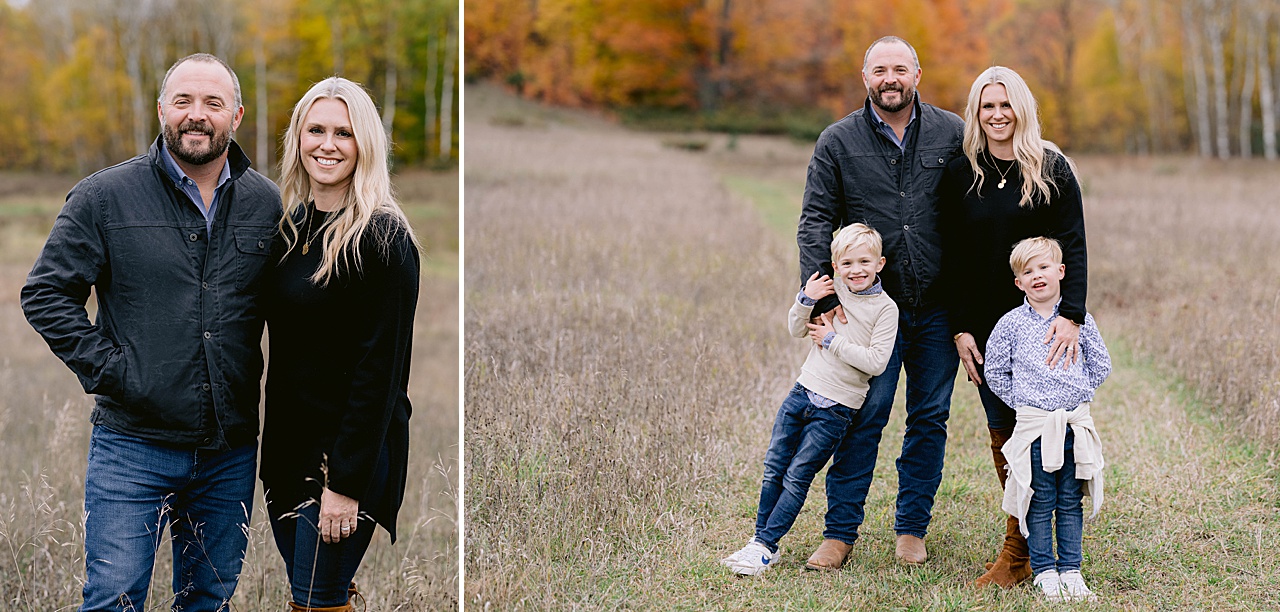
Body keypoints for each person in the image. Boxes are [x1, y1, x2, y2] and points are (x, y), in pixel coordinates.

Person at [20, 53, 280, 610]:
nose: (197, 114)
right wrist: (115, 372)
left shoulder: (267, 203)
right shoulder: (104, 196)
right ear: (162, 109)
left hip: (228, 450)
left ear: (237, 114)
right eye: (183, 100)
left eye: (213, 103)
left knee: (207, 600)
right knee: (113, 599)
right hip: (131, 446)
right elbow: (44, 293)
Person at [797, 35, 964, 569]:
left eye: (899, 69)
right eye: (879, 70)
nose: (889, 79)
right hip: (869, 311)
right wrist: (821, 297)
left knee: (929, 417)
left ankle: (912, 529)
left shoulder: (953, 132)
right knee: (862, 414)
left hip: (938, 306)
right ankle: (840, 532)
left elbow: (976, 209)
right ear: (864, 76)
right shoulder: (837, 141)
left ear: (918, 73)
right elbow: (815, 221)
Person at [259, 77, 420, 612]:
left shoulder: (383, 239)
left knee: (314, 599)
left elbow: (381, 373)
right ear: (298, 138)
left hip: (348, 458)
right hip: (285, 452)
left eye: (344, 133)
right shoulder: (289, 228)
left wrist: (345, 484)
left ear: (365, 144)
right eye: (316, 130)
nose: (327, 144)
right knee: (315, 595)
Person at [938, 65, 1088, 587]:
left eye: (1005, 104)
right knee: (1005, 437)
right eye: (987, 106)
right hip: (986, 329)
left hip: (1043, 327)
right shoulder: (961, 171)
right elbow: (951, 257)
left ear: (1021, 107)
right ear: (976, 113)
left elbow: (1074, 243)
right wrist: (960, 328)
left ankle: (1047, 554)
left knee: (1050, 436)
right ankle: (1020, 551)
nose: (997, 115)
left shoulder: (1052, 167)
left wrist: (1071, 316)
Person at [721, 224, 898, 576]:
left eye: (864, 261)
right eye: (847, 263)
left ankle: (766, 546)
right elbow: (796, 329)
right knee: (774, 468)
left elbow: (877, 362)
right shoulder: (831, 293)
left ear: (880, 263)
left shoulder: (885, 309)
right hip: (801, 393)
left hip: (837, 408)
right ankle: (758, 543)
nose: (856, 270)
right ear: (835, 264)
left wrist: (832, 340)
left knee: (798, 474)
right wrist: (805, 299)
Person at [984, 237, 1110, 602]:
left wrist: (1073, 395)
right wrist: (1025, 403)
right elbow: (994, 370)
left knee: (1070, 498)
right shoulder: (1010, 324)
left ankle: (1071, 569)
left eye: (1043, 268)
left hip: (1072, 425)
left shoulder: (1077, 321)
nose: (1037, 276)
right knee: (1038, 499)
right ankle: (1043, 571)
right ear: (1018, 283)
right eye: (1028, 272)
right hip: (1034, 425)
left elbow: (1102, 364)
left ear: (1061, 272)